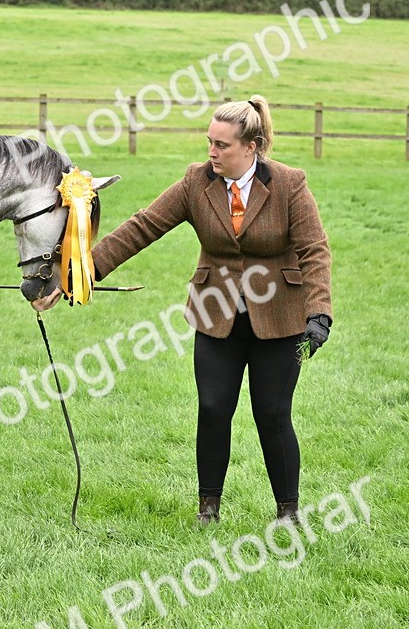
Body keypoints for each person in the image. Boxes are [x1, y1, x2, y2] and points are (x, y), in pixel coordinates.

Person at [33, 95, 332, 524]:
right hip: (216, 318)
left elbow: (315, 250)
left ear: (251, 147)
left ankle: (288, 513)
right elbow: (143, 226)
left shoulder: (288, 184)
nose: (212, 152)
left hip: (281, 320)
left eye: (222, 145)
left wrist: (319, 313)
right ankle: (207, 509)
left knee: (272, 413)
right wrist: (78, 274)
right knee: (213, 407)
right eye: (209, 142)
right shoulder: (197, 182)